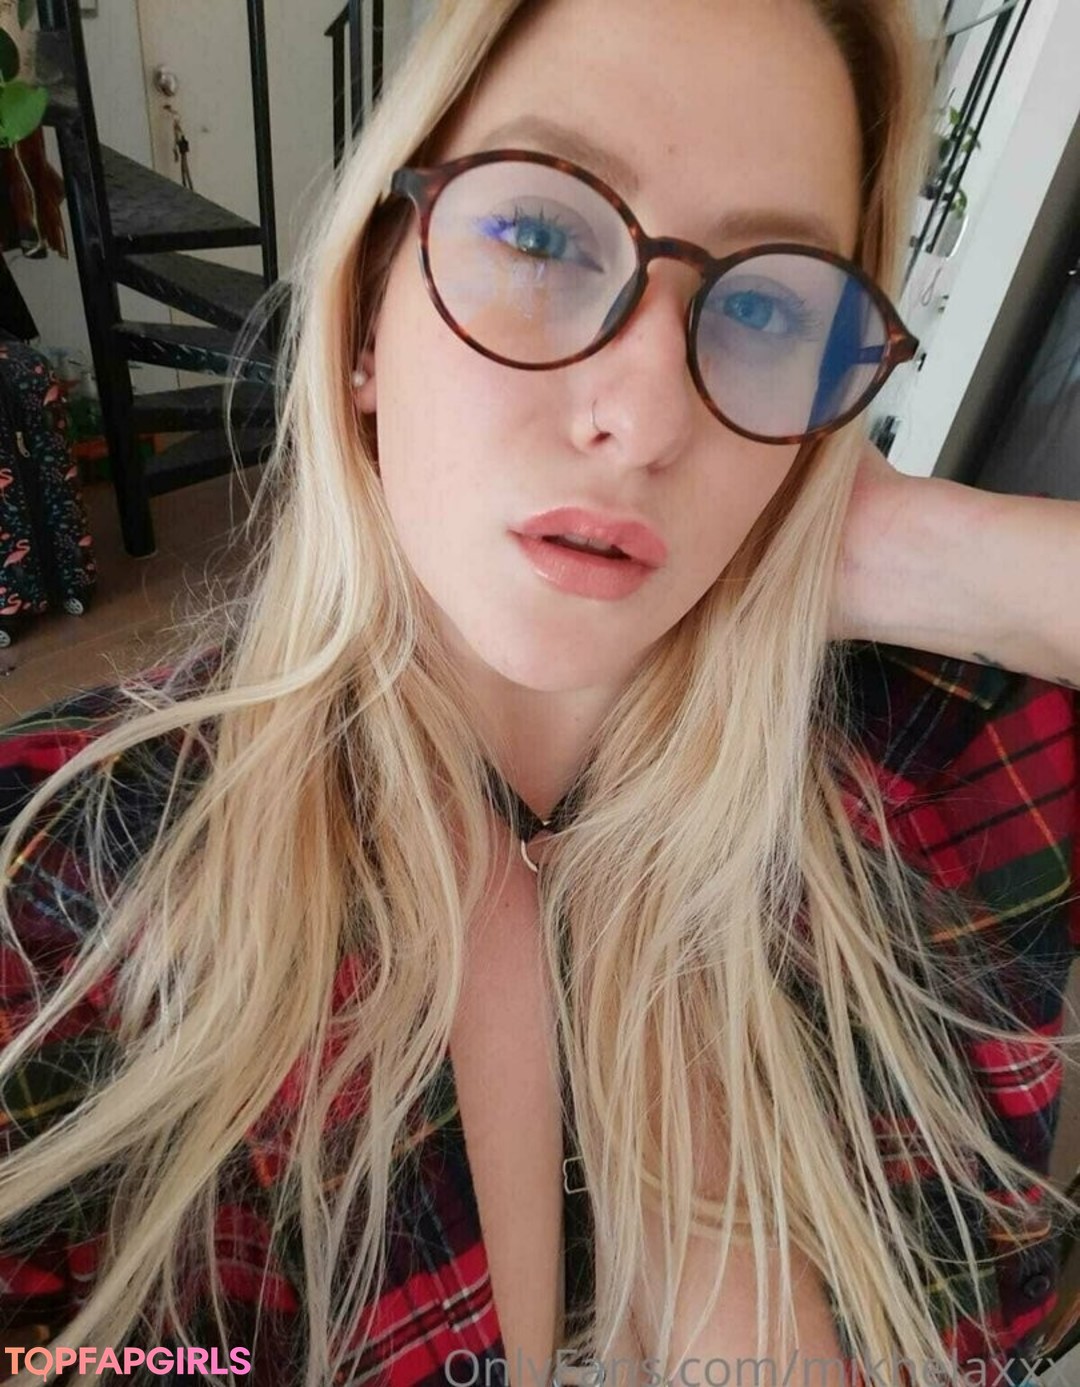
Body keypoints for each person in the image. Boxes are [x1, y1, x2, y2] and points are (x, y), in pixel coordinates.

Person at [0, 0, 1078, 1384]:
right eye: (540, 236)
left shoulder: (941, 763)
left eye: (764, 306)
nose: (646, 419)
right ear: (369, 317)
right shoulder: (56, 885)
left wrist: (940, 554)